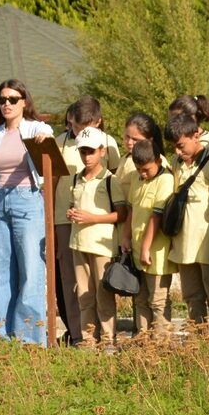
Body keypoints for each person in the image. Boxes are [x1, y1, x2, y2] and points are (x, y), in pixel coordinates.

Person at [0, 79, 54, 344]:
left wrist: (43, 138)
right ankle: (4, 336)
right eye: (2, 100)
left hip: (27, 198)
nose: (7, 104)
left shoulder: (35, 127)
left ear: (24, 102)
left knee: (30, 267)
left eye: (12, 99)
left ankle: (29, 339)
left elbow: (48, 138)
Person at [51, 97, 121, 343]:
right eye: (75, 126)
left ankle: (107, 337)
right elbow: (52, 182)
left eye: (85, 127)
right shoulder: (58, 142)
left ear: (98, 122)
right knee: (73, 283)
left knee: (101, 284)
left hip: (100, 225)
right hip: (64, 219)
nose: (78, 132)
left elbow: (114, 182)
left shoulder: (109, 143)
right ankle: (80, 336)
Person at [166, 113, 209, 332]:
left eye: (181, 146)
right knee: (192, 296)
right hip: (184, 244)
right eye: (174, 147)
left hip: (208, 243)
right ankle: (199, 343)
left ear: (196, 135)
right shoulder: (176, 163)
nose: (177, 152)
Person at [68, 126, 126, 346]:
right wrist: (72, 213)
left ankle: (109, 341)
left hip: (101, 246)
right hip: (79, 243)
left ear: (102, 151)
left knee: (103, 297)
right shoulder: (76, 179)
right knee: (84, 296)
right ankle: (88, 340)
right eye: (83, 151)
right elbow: (76, 206)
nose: (87, 156)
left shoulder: (110, 180)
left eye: (91, 151)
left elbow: (121, 213)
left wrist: (92, 218)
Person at [126, 138, 175, 334]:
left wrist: (146, 248)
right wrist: (125, 237)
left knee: (158, 300)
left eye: (147, 169)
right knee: (140, 298)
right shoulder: (137, 180)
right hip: (137, 250)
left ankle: (162, 342)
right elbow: (131, 210)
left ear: (158, 161)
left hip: (156, 253)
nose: (143, 173)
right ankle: (143, 341)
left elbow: (156, 216)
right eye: (139, 170)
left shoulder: (165, 180)